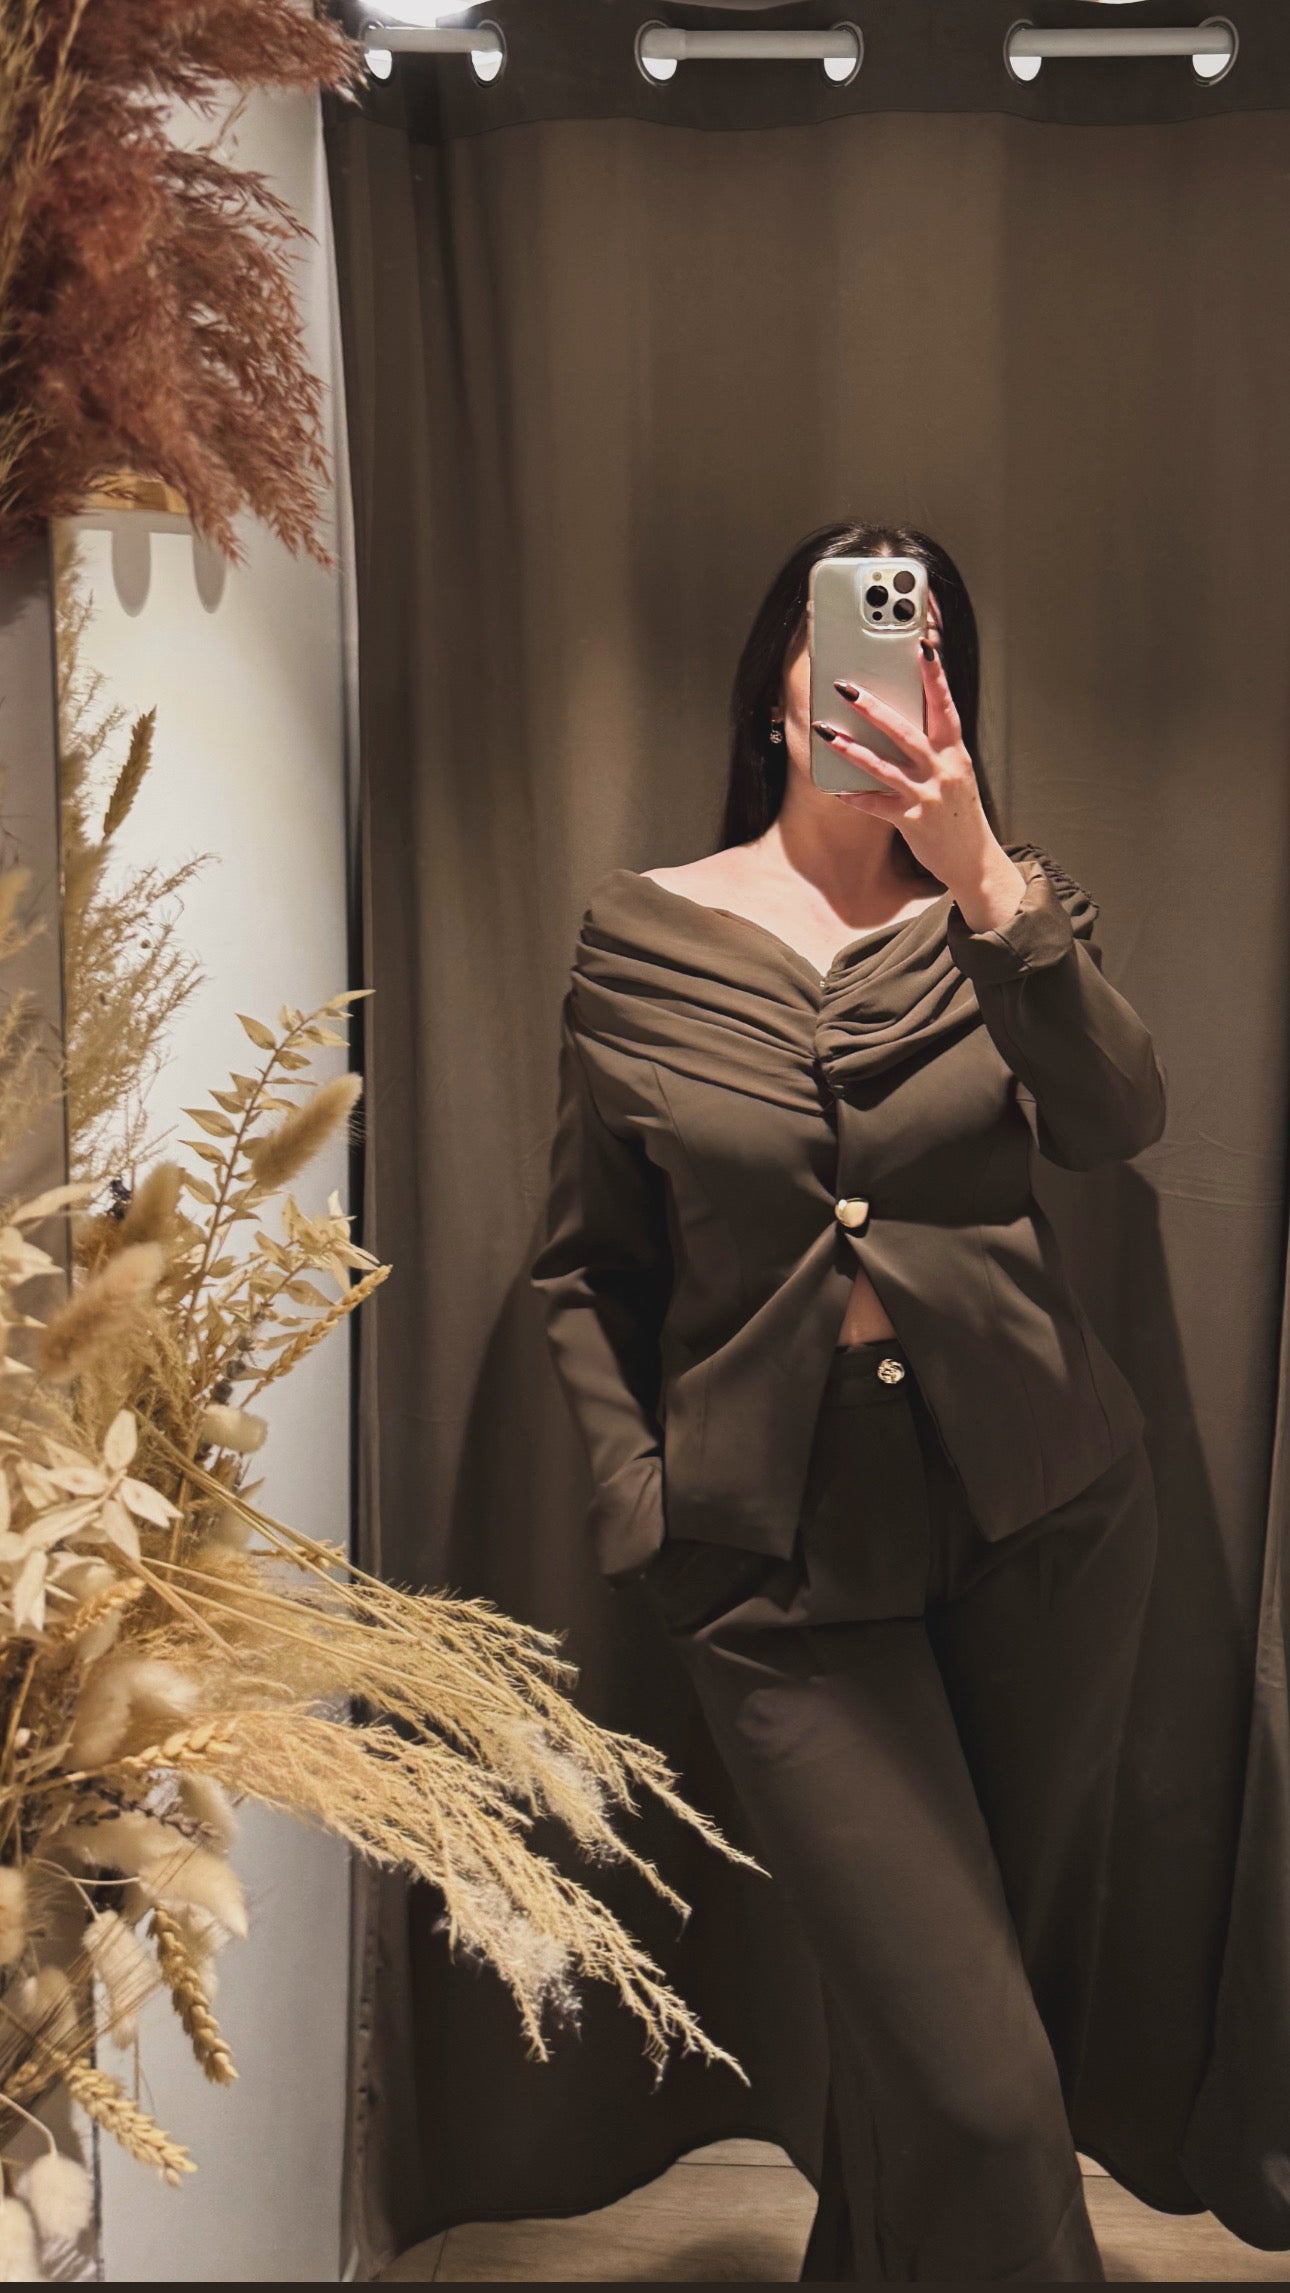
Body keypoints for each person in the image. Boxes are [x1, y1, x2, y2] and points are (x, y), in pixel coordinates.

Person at [529, 519, 1166, 2282]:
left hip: (1041, 1522)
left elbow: (1116, 1119)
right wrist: (644, 1505)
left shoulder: (1006, 912)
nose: (895, 670)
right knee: (980, 2090)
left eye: (928, 643)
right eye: (862, 634)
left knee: (945, 2057)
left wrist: (986, 886)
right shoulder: (640, 938)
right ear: (778, 685)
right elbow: (583, 1271)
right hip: (774, 1565)